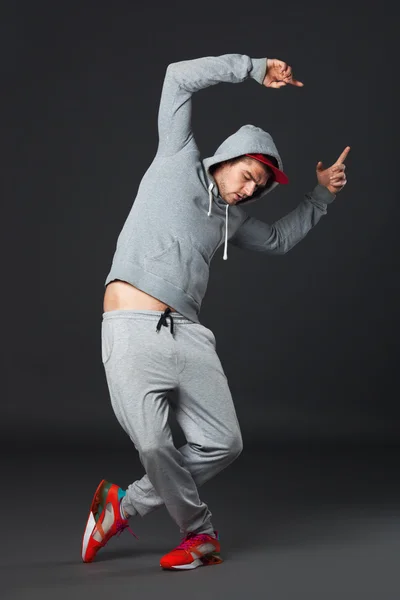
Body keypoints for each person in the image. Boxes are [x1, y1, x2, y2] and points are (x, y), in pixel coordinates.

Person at [81, 53, 349, 571]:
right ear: (227, 158)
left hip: (190, 337)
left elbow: (277, 239)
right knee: (155, 446)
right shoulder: (176, 157)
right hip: (133, 329)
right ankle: (199, 535)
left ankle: (122, 505)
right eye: (247, 175)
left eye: (258, 187)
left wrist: (321, 196)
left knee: (224, 443)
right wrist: (252, 68)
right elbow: (177, 77)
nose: (248, 190)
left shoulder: (234, 219)